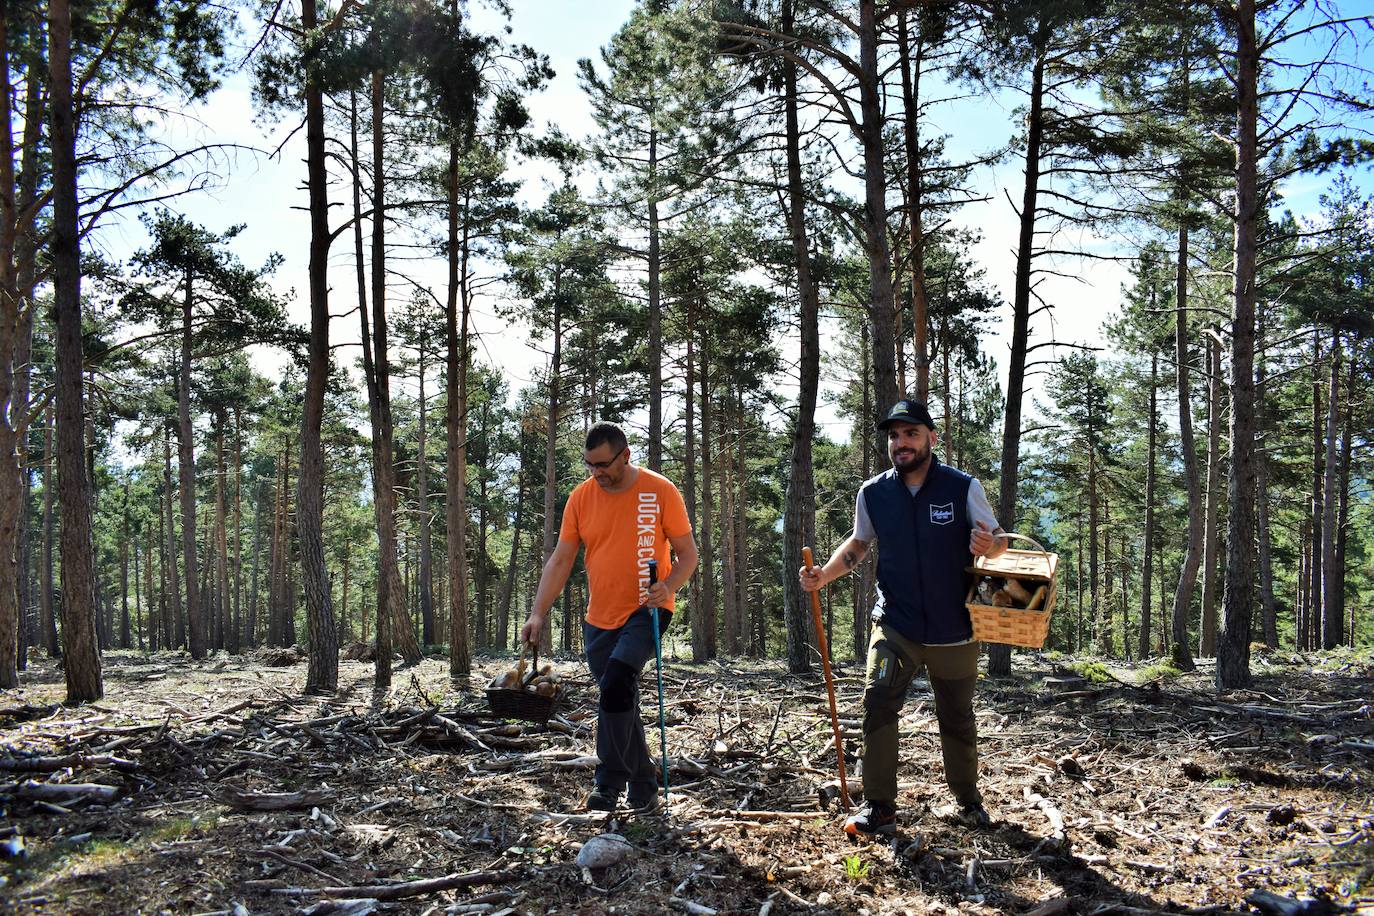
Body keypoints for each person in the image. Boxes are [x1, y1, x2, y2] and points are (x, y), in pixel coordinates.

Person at [800, 398, 1008, 837]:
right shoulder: (874, 493)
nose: (901, 443)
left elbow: (1000, 540)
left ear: (932, 438)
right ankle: (879, 807)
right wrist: (824, 576)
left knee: (956, 715)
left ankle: (969, 802)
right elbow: (858, 546)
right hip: (896, 623)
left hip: (956, 629)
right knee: (877, 702)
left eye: (911, 433)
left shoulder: (961, 487)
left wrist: (990, 546)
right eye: (894, 435)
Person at [521, 421, 698, 813]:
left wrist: (668, 587)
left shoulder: (660, 490)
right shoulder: (581, 498)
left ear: (625, 456)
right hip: (599, 617)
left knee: (618, 682)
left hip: (647, 610)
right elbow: (562, 558)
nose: (596, 472)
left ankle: (608, 780)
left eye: (602, 464)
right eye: (589, 465)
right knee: (619, 700)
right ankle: (643, 782)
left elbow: (688, 555)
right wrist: (537, 613)